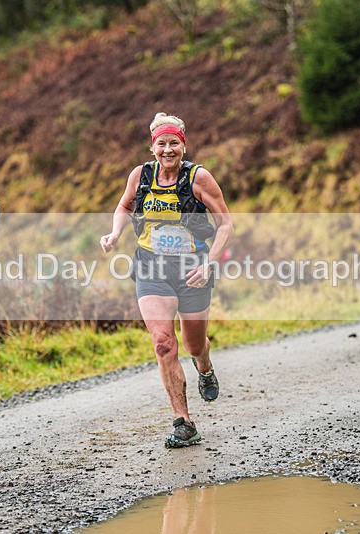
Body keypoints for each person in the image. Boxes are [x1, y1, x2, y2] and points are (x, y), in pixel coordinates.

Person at [100, 112, 234, 448]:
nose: (168, 149)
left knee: (192, 344)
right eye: (162, 143)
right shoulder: (140, 176)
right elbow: (124, 206)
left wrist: (209, 264)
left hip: (192, 271)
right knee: (163, 342)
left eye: (174, 142)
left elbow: (226, 225)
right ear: (152, 147)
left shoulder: (199, 178)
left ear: (183, 146)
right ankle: (183, 422)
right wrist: (115, 233)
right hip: (151, 269)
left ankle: (204, 366)